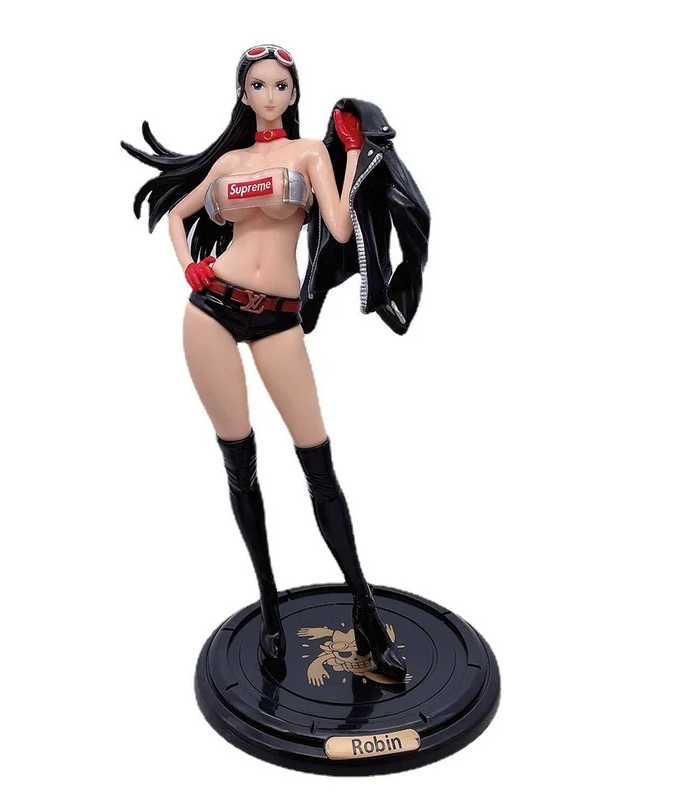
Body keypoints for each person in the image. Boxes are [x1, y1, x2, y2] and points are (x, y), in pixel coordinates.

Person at [121, 43, 429, 680]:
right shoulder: (230, 163)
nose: (270, 95)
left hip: (278, 317)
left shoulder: (308, 153)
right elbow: (178, 214)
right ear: (243, 93)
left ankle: (367, 614)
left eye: (281, 85)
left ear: (293, 94)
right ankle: (267, 611)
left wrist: (351, 158)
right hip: (212, 310)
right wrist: (189, 266)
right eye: (258, 85)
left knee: (318, 463)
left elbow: (338, 229)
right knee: (240, 463)